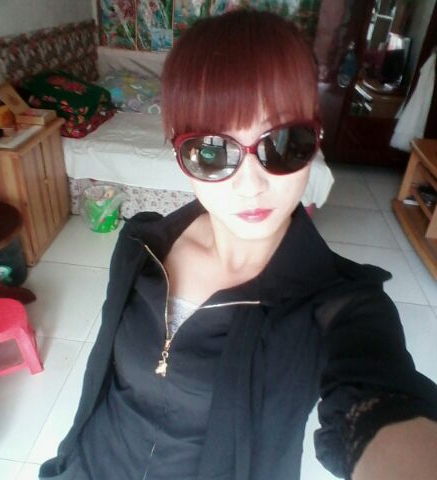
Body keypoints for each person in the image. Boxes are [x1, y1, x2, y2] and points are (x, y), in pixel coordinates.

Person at [39, 9, 437, 480]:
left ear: (317, 138)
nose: (251, 185)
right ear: (179, 154)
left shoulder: (339, 305)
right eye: (211, 151)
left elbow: (381, 400)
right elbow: (100, 383)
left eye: (284, 143)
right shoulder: (140, 247)